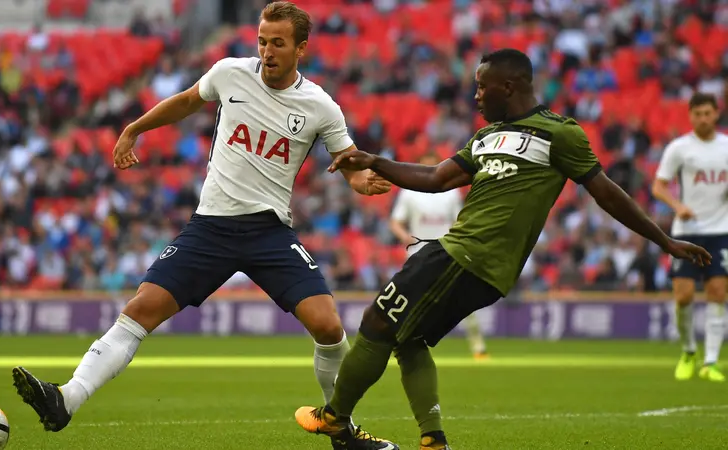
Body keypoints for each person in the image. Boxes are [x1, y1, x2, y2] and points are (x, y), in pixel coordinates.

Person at [11, 2, 396, 449]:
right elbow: (187, 101)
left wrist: (360, 178)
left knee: (329, 327)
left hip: (269, 232)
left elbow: (345, 161)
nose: (267, 51)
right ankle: (65, 399)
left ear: (301, 49)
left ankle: (341, 431)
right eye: (262, 41)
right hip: (210, 227)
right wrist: (134, 128)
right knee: (140, 309)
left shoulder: (320, 107)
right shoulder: (230, 73)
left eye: (278, 43)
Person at [294, 48, 712, 450]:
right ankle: (432, 439)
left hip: (468, 254)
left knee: (377, 320)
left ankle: (335, 415)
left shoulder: (559, 133)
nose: (475, 96)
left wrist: (664, 240)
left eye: (481, 87)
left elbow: (606, 193)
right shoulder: (486, 136)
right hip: (468, 258)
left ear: (508, 87)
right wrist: (376, 161)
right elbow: (436, 178)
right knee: (409, 340)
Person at [652, 92, 728, 383]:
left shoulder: (726, 147)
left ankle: (710, 361)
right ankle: (687, 351)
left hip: (721, 231)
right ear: (691, 115)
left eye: (708, 113)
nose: (703, 118)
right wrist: (677, 206)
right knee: (683, 296)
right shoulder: (679, 148)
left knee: (717, 293)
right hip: (687, 233)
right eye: (698, 114)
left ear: (716, 114)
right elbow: (659, 186)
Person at [389, 152, 489, 360]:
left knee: (464, 299)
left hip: (447, 251)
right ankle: (397, 343)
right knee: (409, 300)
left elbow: (460, 220)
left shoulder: (450, 193)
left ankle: (478, 347)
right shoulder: (409, 192)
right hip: (419, 253)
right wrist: (405, 237)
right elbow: (395, 222)